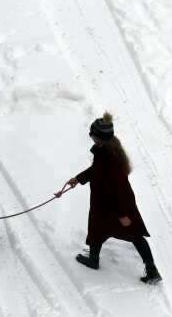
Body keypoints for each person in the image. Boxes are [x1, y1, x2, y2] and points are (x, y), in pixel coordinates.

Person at [62, 113, 161, 284]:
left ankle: (151, 270)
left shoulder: (109, 157)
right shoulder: (107, 151)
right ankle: (94, 258)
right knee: (100, 230)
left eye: (92, 134)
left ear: (99, 137)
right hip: (108, 204)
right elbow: (96, 171)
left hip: (114, 205)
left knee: (130, 233)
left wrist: (123, 214)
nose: (90, 136)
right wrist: (78, 179)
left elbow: (118, 188)